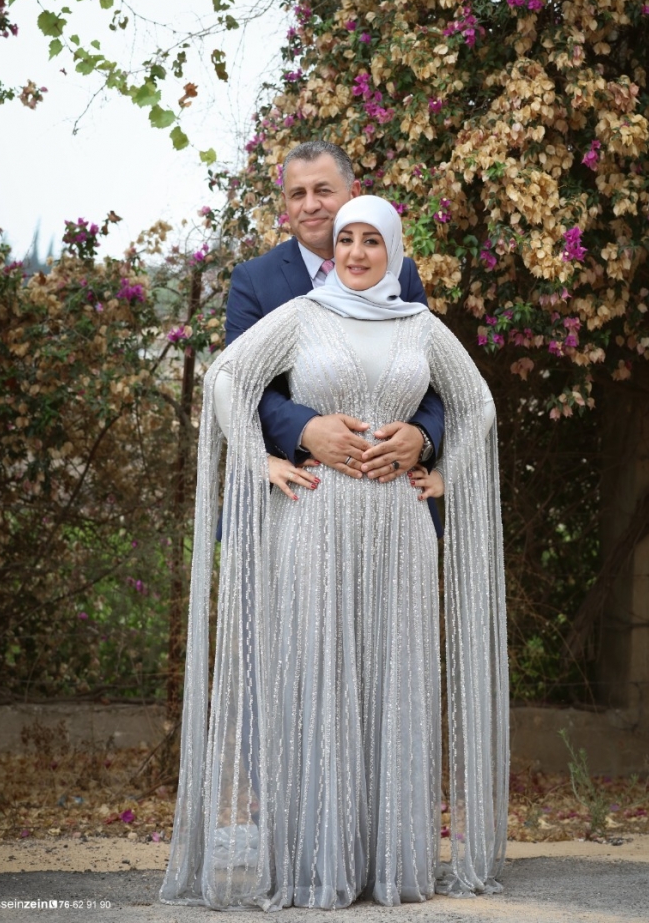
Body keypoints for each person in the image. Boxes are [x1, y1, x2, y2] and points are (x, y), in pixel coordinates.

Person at [161, 195, 509, 910]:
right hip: (315, 522)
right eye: (345, 239)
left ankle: (390, 866)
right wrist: (258, 460)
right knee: (315, 676)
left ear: (394, 251)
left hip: (400, 530)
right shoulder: (302, 315)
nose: (355, 252)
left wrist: (445, 470)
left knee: (395, 679)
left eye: (371, 241)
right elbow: (228, 378)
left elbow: (477, 404)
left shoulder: (420, 326)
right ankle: (315, 863)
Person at [224, 141, 444, 533]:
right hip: (292, 502)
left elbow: (433, 377)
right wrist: (305, 429)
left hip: (395, 508)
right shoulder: (254, 280)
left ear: (353, 193)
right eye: (297, 194)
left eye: (323, 190)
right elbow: (242, 385)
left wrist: (423, 436)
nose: (310, 205)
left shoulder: (400, 272)